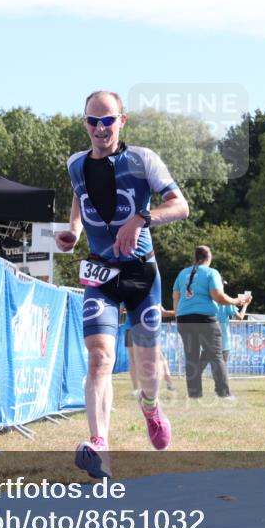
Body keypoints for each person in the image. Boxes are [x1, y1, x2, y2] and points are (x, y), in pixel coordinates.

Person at [54, 90, 189, 479]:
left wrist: (141, 219)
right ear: (84, 123)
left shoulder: (142, 160)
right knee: (99, 359)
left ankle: (150, 406)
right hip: (100, 275)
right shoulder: (75, 164)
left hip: (140, 275)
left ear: (122, 121)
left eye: (108, 120)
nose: (100, 128)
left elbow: (181, 206)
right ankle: (100, 446)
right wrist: (74, 231)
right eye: (93, 121)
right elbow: (79, 199)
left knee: (147, 366)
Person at [172, 246, 250, 399]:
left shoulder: (182, 273)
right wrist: (237, 301)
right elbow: (218, 296)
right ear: (209, 258)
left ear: (195, 258)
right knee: (216, 355)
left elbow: (176, 296)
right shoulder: (211, 273)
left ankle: (194, 394)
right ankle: (223, 393)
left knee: (191, 357)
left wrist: (178, 315)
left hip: (184, 319)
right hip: (204, 319)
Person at [215, 285, 251, 362]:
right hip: (224, 343)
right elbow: (240, 317)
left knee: (204, 368)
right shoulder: (227, 302)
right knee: (221, 369)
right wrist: (245, 305)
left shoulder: (207, 300)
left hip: (208, 341)